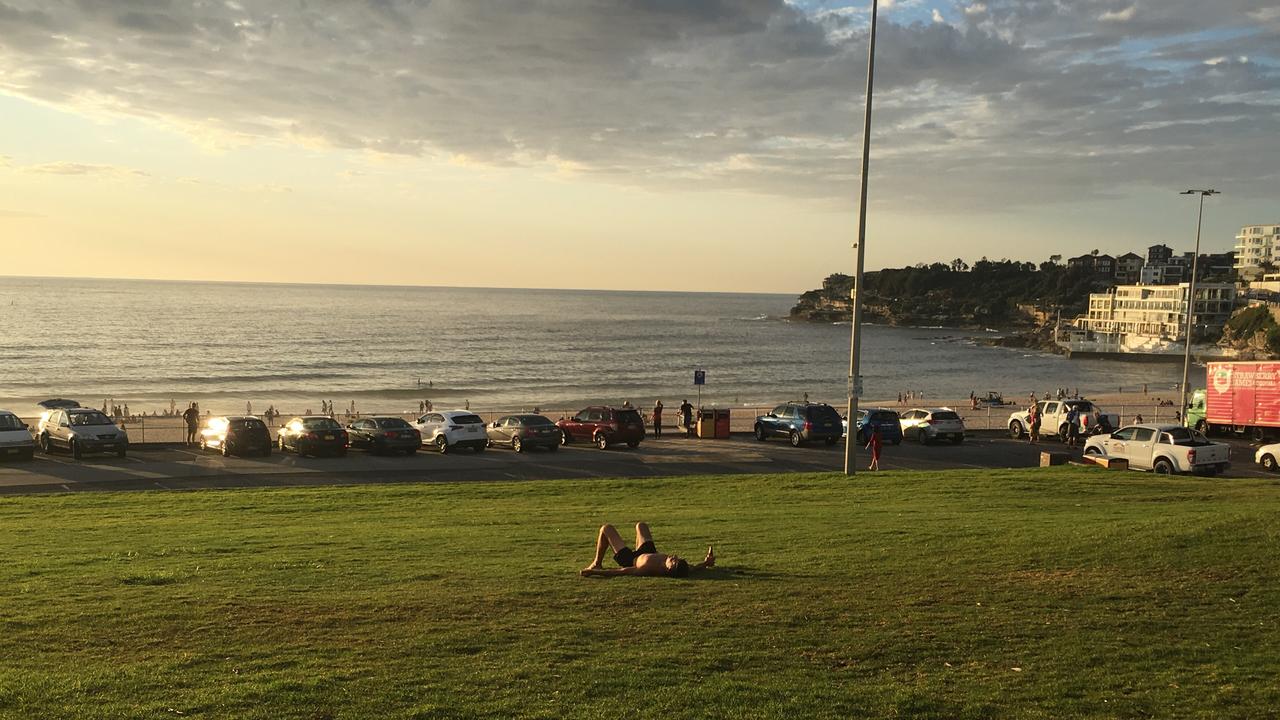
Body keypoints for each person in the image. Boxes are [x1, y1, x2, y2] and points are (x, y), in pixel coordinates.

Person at [580, 522, 714, 578]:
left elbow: (621, 572)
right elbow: (694, 568)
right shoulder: (683, 567)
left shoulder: (647, 568)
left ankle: (597, 562)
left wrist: (593, 572)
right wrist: (706, 563)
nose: (674, 556)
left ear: (669, 569)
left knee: (606, 529)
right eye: (676, 558)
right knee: (641, 525)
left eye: (673, 560)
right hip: (648, 551)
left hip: (630, 559)